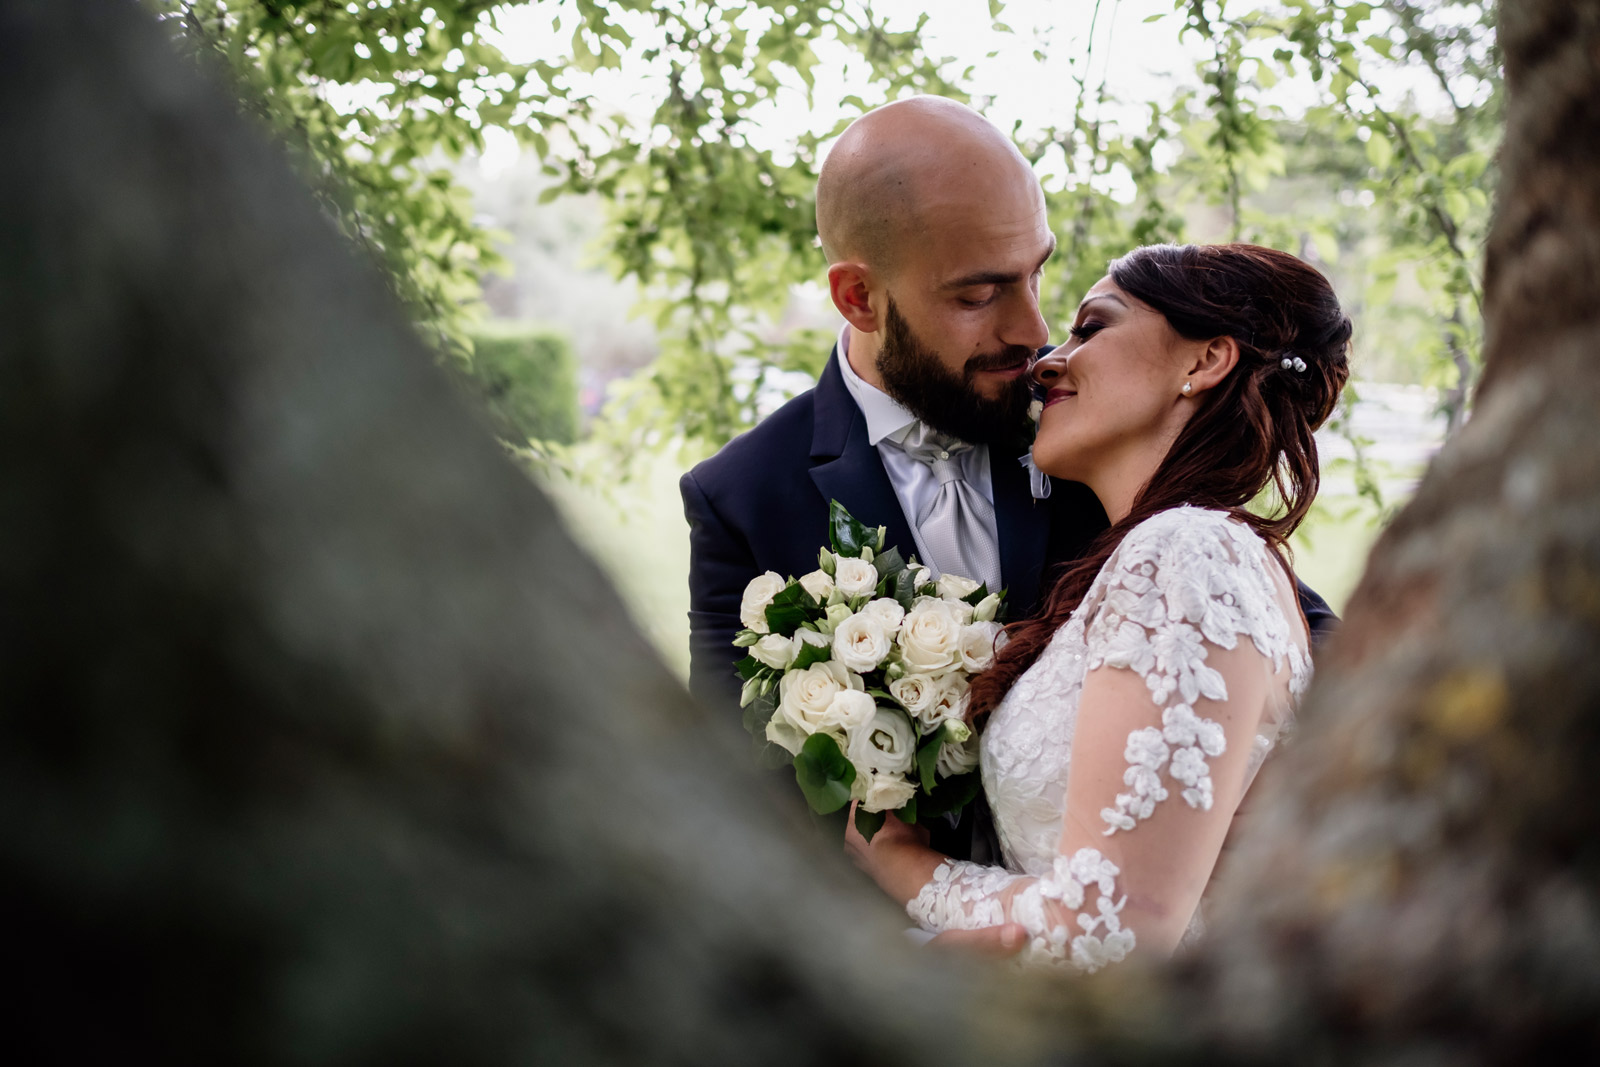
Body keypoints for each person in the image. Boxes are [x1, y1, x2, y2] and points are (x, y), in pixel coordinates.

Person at [680, 97, 1336, 867]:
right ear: (859, 297)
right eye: (977, 295)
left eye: (1037, 272)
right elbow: (730, 793)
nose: (1033, 331)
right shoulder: (742, 495)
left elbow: (1290, 632)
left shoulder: (1086, 425)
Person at [843, 242, 1352, 970]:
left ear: (1204, 362)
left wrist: (904, 867)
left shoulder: (1187, 552)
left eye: (1092, 326)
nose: (1048, 358)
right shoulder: (1168, 551)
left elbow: (1110, 932)